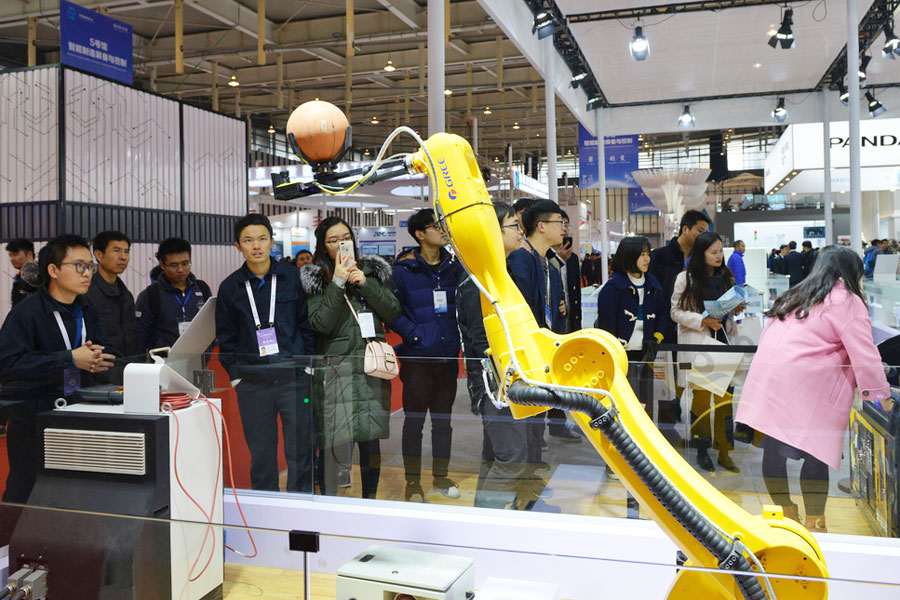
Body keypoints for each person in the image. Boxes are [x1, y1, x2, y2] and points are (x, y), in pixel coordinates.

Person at [736, 246, 891, 533]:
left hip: (769, 379)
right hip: (807, 384)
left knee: (773, 447)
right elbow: (865, 353)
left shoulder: (796, 294)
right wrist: (881, 396)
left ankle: (783, 517)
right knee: (816, 449)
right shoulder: (846, 300)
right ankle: (816, 524)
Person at [0, 235, 115, 502]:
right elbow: (7, 364)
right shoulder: (27, 312)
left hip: (78, 412)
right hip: (34, 418)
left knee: (74, 492)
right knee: (26, 490)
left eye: (90, 266)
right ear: (53, 270)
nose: (87, 273)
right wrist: (69, 359)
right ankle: (11, 542)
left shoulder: (86, 307)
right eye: (79, 266)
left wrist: (97, 357)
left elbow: (105, 347)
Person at [300, 216, 400, 499]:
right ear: (323, 246)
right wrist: (339, 282)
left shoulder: (370, 271)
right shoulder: (317, 278)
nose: (342, 244)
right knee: (332, 441)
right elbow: (321, 323)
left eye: (346, 238)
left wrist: (365, 284)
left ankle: (369, 501)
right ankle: (330, 502)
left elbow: (393, 311)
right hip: (336, 371)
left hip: (371, 369)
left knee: (371, 441)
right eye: (333, 240)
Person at [216, 213, 316, 492]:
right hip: (252, 382)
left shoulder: (293, 278)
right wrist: (236, 378)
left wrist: (306, 366)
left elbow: (306, 325)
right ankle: (266, 508)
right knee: (261, 453)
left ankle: (300, 505)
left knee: (300, 449)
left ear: (272, 241)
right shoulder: (230, 287)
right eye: (248, 240)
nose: (256, 246)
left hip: (293, 378)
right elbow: (226, 338)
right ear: (238, 246)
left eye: (262, 239)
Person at [457, 202, 534, 509]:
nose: (520, 231)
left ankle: (483, 523)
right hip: (498, 384)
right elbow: (481, 341)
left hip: (503, 380)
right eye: (514, 225)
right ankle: (487, 527)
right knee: (511, 460)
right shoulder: (479, 282)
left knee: (496, 458)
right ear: (493, 231)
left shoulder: (495, 273)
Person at [391, 209, 464, 502]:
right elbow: (391, 312)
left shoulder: (454, 269)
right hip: (417, 359)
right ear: (420, 234)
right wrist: (415, 335)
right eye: (436, 226)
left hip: (447, 357)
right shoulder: (403, 272)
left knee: (443, 422)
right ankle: (412, 483)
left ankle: (441, 478)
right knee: (414, 422)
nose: (443, 230)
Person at [670, 231, 742, 474]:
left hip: (724, 345)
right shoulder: (685, 279)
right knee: (701, 402)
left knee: (724, 401)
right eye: (713, 252)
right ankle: (702, 450)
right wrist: (703, 320)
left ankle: (724, 451)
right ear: (701, 255)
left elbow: (731, 310)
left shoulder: (727, 277)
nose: (719, 256)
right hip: (699, 345)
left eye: (721, 251)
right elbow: (675, 312)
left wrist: (737, 307)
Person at [508, 200, 572, 461]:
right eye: (560, 223)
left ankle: (533, 468)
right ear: (541, 226)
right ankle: (526, 472)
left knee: (539, 415)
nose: (564, 229)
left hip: (545, 351)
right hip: (526, 352)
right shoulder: (521, 260)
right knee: (526, 418)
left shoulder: (551, 266)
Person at [595, 236, 668, 411]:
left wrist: (657, 336)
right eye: (641, 254)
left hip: (646, 352)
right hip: (620, 355)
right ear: (628, 256)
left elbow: (663, 313)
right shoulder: (612, 288)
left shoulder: (653, 283)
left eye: (648, 254)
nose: (647, 259)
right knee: (623, 402)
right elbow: (606, 323)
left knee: (646, 402)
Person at [135, 237, 212, 352]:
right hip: (162, 364)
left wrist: (207, 352)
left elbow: (209, 326)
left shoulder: (202, 289)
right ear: (162, 264)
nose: (180, 270)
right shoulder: (150, 296)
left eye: (185, 263)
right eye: (174, 265)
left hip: (197, 360)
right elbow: (140, 338)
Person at [648, 210, 712, 346]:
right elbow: (651, 296)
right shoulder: (658, 257)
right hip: (664, 329)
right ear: (685, 229)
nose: (703, 237)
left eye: (706, 233)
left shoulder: (703, 262)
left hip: (695, 329)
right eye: (700, 231)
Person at [86, 231, 141, 377]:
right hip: (99, 373)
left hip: (127, 371)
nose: (123, 257)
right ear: (98, 255)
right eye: (116, 251)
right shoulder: (87, 293)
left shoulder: (126, 294)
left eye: (126, 252)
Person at [7, 238, 38, 308]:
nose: (11, 259)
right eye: (10, 255)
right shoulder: (20, 276)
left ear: (29, 254)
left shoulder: (38, 275)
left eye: (15, 255)